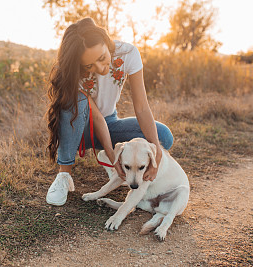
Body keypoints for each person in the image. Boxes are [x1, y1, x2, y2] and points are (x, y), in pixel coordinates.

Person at [45, 17, 173, 206]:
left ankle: (107, 156)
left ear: (106, 41)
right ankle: (64, 175)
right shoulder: (71, 70)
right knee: (77, 101)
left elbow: (142, 107)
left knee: (162, 136)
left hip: (110, 122)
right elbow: (95, 116)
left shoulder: (128, 53)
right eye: (89, 66)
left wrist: (156, 153)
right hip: (77, 129)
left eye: (102, 58)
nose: (99, 68)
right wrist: (115, 159)